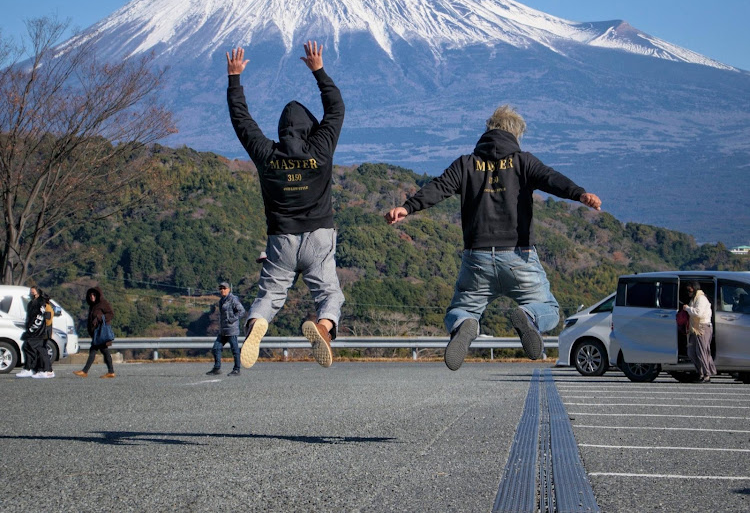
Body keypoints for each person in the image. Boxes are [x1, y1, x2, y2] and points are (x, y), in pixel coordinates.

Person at [384, 104, 602, 370]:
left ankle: (465, 324)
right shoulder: (523, 162)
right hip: (518, 255)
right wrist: (579, 194)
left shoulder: (466, 163)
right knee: (548, 308)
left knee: (460, 310)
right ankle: (530, 316)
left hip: (477, 258)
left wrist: (406, 207)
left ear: (488, 130)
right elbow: (550, 178)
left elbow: (438, 187)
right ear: (515, 134)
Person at [227, 41, 346, 369]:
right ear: (310, 128)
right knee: (330, 294)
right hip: (319, 237)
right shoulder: (320, 148)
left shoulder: (267, 155)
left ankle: (257, 325)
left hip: (281, 241)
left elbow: (243, 123)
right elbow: (336, 110)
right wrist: (318, 70)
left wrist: (235, 80)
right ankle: (323, 327)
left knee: (269, 295)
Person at [74, 286, 116, 379]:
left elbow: (110, 314)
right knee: (104, 352)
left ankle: (85, 371)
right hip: (96, 334)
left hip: (101, 333)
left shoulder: (103, 303)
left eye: (94, 295)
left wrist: (100, 318)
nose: (92, 297)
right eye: (90, 295)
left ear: (98, 295)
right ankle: (111, 372)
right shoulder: (92, 306)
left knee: (95, 351)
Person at [206, 282, 246, 376]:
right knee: (216, 348)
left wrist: (231, 319)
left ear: (229, 289)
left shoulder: (233, 299)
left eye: (224, 288)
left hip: (231, 330)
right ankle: (217, 368)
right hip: (223, 330)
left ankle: (237, 369)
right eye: (220, 288)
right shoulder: (221, 300)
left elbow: (241, 311)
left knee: (235, 350)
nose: (222, 290)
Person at [15, 285, 54, 379]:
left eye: (33, 293)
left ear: (38, 293)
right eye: (30, 293)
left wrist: (37, 329)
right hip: (34, 331)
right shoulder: (32, 303)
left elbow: (47, 319)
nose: (31, 294)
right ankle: (31, 368)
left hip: (41, 332)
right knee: (28, 347)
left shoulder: (44, 304)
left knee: (40, 350)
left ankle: (46, 370)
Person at [682, 280, 716, 383]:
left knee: (702, 352)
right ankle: (700, 373)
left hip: (702, 327)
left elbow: (698, 313)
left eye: (689, 289)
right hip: (694, 328)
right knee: (691, 352)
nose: (688, 291)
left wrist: (687, 308)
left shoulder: (701, 298)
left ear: (694, 287)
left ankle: (706, 375)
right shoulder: (694, 299)